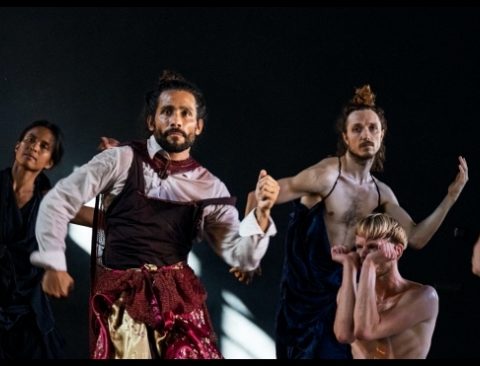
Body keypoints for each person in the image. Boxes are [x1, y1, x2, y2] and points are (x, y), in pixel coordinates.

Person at [31, 70, 280, 359]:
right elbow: (58, 200)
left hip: (179, 305)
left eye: (185, 113)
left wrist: (261, 213)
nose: (176, 120)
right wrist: (53, 263)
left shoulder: (209, 186)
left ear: (198, 126)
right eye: (167, 112)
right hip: (124, 304)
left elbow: (242, 257)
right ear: (152, 121)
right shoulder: (121, 159)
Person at [239, 85, 468, 359]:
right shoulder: (327, 175)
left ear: (382, 135)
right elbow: (259, 195)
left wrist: (451, 198)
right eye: (357, 129)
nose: (366, 135)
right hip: (303, 299)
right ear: (345, 138)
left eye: (373, 128)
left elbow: (415, 238)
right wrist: (247, 256)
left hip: (346, 295)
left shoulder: (381, 192)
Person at [0, 120, 66, 359]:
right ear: (17, 146)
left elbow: (103, 218)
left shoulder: (52, 201)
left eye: (44, 145)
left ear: (49, 162)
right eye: (30, 139)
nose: (34, 147)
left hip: (28, 313)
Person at [332, 213, 439, 359]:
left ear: (397, 251)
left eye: (373, 247)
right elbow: (344, 335)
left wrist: (370, 264)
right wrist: (349, 266)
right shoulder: (351, 292)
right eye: (359, 247)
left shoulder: (424, 296)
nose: (364, 254)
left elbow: (366, 330)